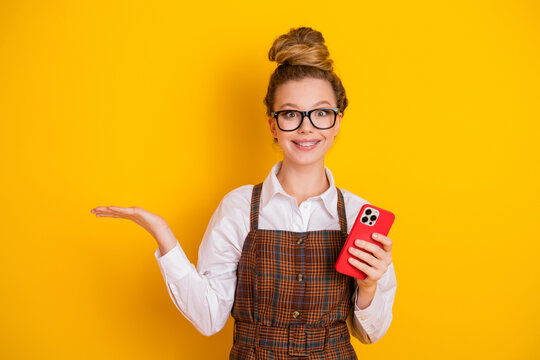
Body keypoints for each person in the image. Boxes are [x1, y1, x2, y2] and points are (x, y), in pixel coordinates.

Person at [91, 26, 397, 359]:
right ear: (273, 124)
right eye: (291, 114)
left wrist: (368, 287)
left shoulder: (357, 213)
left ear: (337, 121)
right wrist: (163, 236)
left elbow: (371, 334)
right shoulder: (238, 207)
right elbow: (209, 319)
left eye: (321, 113)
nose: (307, 127)